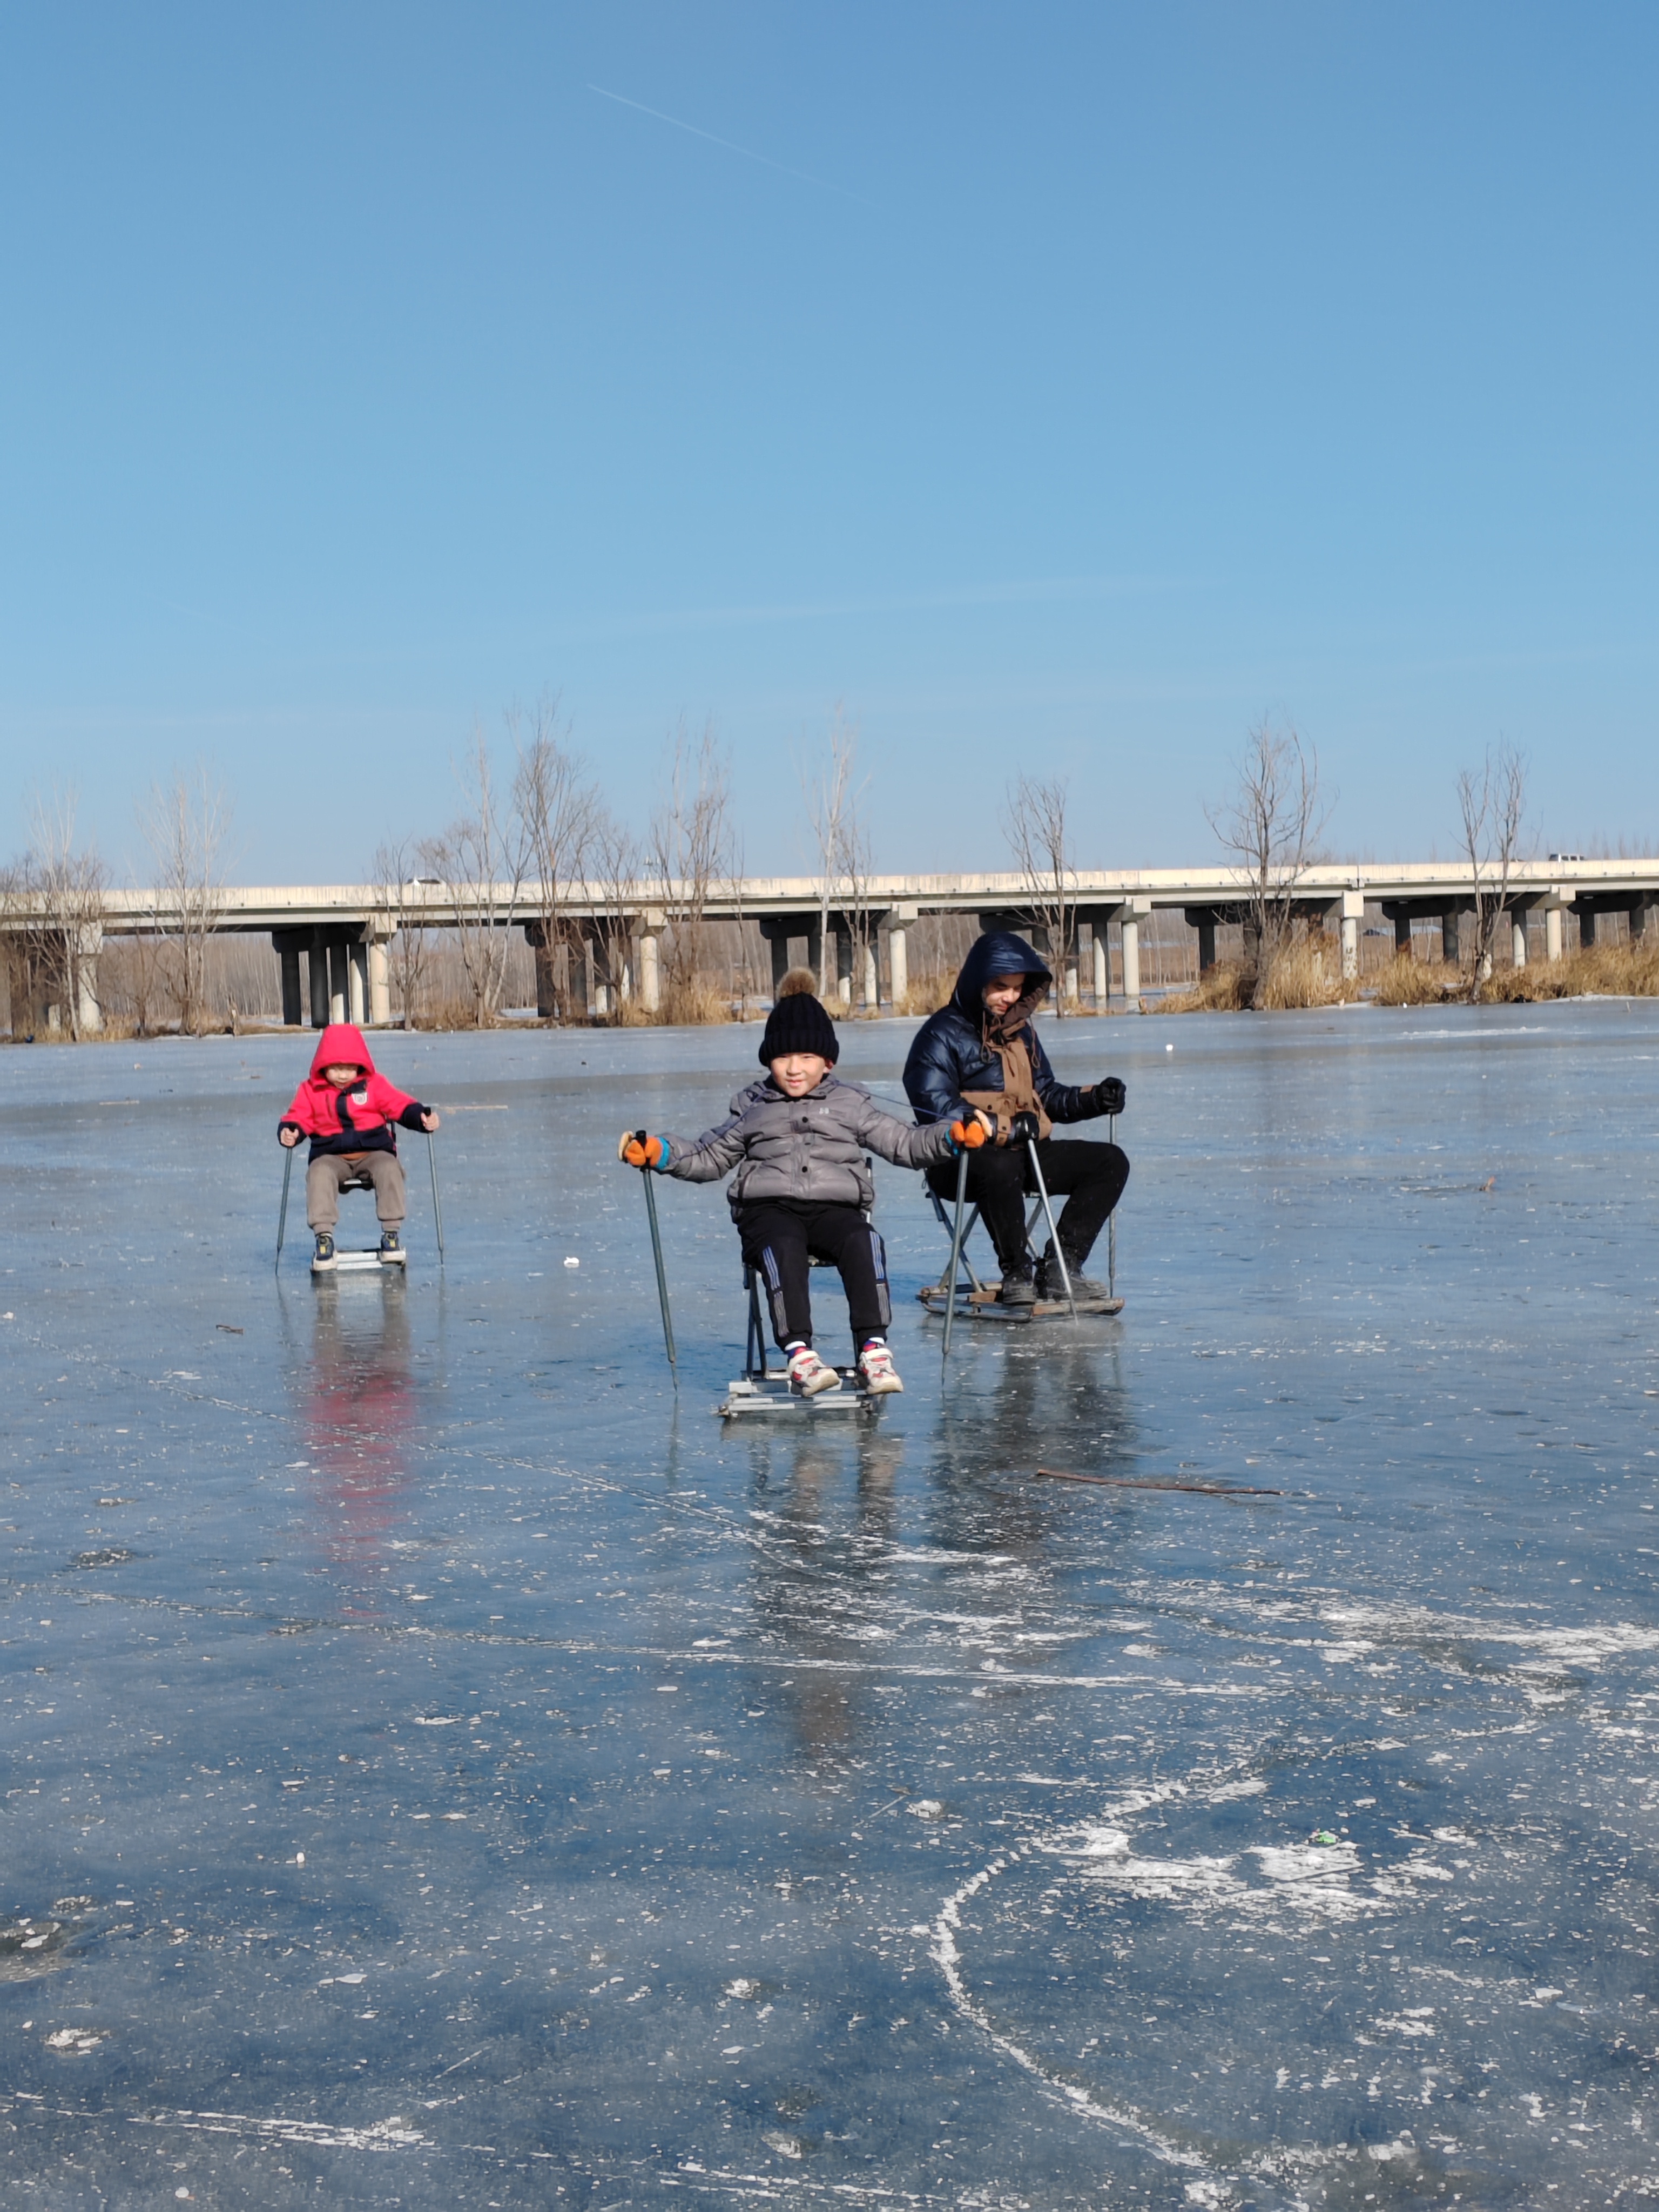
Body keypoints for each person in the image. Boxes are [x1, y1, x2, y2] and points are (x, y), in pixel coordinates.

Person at [620, 975, 988, 1396]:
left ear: (828, 1062)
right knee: (783, 1244)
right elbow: (709, 1156)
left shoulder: (852, 1104)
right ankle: (800, 1356)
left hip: (836, 1210)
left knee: (863, 1240)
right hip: (768, 1212)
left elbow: (904, 1143)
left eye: (807, 1057)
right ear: (768, 1061)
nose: (794, 1068)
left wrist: (950, 1137)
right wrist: (661, 1153)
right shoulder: (752, 1107)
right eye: (783, 1058)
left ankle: (874, 1351)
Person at [902, 929, 1128, 1306]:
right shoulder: (939, 1035)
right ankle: (1017, 1272)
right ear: (978, 982)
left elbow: (1048, 1096)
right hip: (957, 1161)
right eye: (1000, 986)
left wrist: (1094, 1098)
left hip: (1026, 1153)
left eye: (1018, 988)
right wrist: (1003, 1128)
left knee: (1109, 1162)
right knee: (999, 1167)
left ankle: (1060, 1268)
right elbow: (934, 1106)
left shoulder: (1022, 1033)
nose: (1010, 997)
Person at [278, 1022, 440, 1271]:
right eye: (336, 1068)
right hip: (331, 1156)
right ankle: (324, 1238)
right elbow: (298, 1117)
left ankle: (391, 1235)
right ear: (323, 1066)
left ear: (360, 1066)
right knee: (318, 1173)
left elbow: (400, 1105)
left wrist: (421, 1118)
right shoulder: (310, 1091)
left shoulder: (375, 1085)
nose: (343, 1075)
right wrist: (291, 1132)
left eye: (349, 1068)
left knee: (390, 1168)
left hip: (373, 1153)